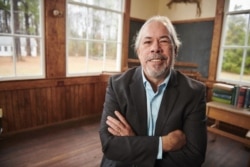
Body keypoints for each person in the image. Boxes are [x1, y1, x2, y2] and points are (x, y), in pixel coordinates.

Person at [99, 15, 207, 167]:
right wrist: (163, 144)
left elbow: (194, 156)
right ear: (138, 51)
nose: (155, 48)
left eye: (163, 40)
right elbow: (110, 145)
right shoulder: (117, 85)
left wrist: (133, 141)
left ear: (175, 50)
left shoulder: (194, 93)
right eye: (148, 42)